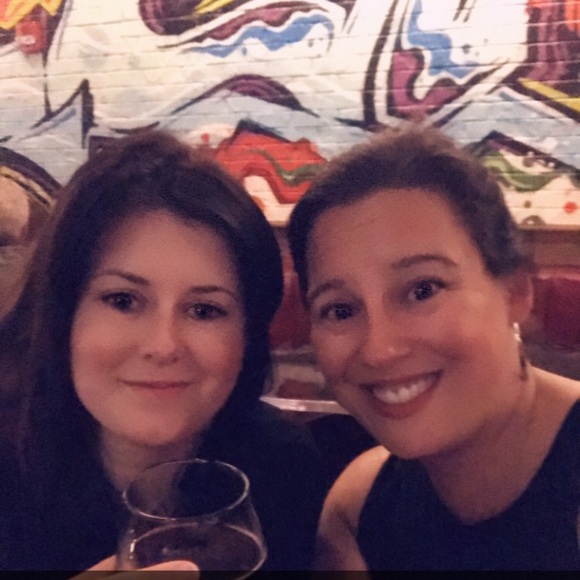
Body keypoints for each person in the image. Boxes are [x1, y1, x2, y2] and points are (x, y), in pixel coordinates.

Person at [0, 130, 327, 571]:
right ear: (63, 312)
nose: (163, 345)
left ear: (247, 334)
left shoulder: (282, 465)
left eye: (204, 310)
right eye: (123, 301)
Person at [287, 124, 580, 571]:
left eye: (422, 289)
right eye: (340, 310)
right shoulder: (357, 509)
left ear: (515, 292)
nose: (379, 349)